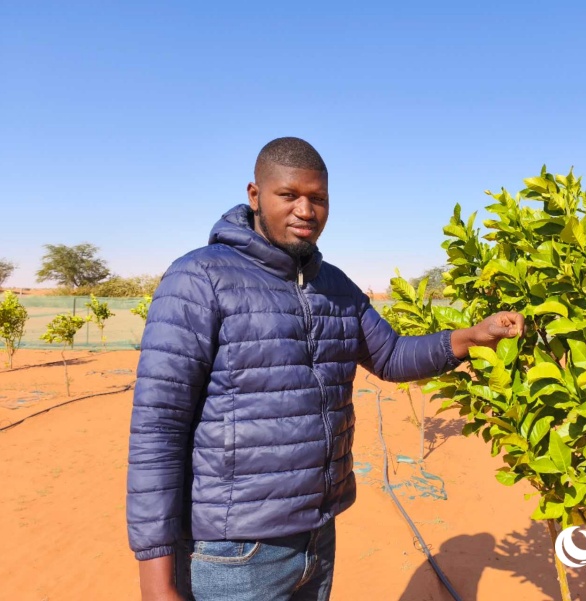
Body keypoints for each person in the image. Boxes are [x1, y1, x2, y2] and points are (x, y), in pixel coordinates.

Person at [126, 137, 524, 601]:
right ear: (255, 195)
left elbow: (391, 356)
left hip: (318, 537)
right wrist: (156, 581)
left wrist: (471, 337)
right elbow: (159, 427)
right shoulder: (200, 278)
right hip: (235, 551)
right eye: (289, 195)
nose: (305, 211)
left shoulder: (334, 285)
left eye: (318, 199)